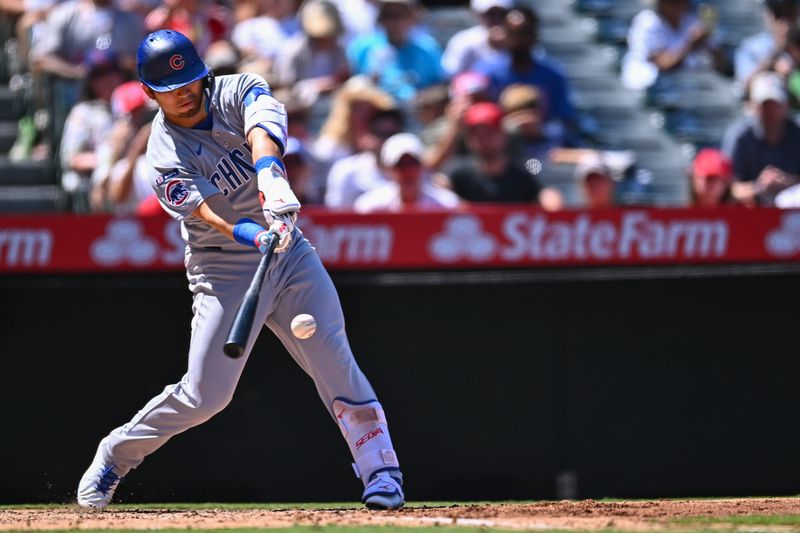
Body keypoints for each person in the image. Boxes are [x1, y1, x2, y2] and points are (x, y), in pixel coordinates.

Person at [76, 30, 404, 511]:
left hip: (289, 252)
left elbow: (262, 129)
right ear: (149, 92)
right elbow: (205, 211)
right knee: (206, 396)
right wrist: (250, 233)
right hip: (223, 265)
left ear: (203, 74)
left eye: (190, 80)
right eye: (171, 87)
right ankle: (116, 454)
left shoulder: (239, 88)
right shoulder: (163, 151)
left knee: (333, 357)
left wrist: (271, 177)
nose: (185, 92)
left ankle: (381, 470)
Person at [473, 7, 576, 136]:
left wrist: (539, 129)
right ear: (504, 35)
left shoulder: (553, 74)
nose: (518, 41)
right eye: (513, 34)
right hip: (498, 146)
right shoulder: (486, 73)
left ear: (535, 36)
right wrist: (510, 126)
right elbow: (479, 119)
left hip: (543, 146)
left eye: (524, 33)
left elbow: (563, 120)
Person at [443, 101, 563, 210]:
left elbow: (548, 193)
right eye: (476, 135)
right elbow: (440, 189)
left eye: (489, 133)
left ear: (503, 134)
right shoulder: (456, 169)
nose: (483, 140)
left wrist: (551, 202)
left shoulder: (529, 166)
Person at [59, 49, 127, 212]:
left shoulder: (134, 106)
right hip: (94, 186)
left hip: (130, 182)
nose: (106, 79)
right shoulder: (83, 112)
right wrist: (109, 160)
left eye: (111, 72)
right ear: (90, 81)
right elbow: (73, 159)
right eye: (99, 75)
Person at [722, 71, 800, 206]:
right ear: (753, 107)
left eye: (775, 104)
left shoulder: (798, 132)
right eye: (764, 105)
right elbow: (728, 189)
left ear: (786, 105)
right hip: (750, 213)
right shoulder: (739, 136)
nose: (770, 111)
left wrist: (789, 182)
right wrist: (759, 187)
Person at [347, 0, 443, 103]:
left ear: (413, 18)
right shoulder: (362, 48)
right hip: (375, 113)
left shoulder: (428, 49)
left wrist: (421, 98)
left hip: (419, 113)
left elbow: (440, 86)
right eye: (389, 15)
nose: (396, 22)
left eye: (402, 15)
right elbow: (350, 88)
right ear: (380, 19)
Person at [621, 0, 724, 91]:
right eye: (672, 1)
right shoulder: (647, 21)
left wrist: (707, 37)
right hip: (646, 88)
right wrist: (690, 43)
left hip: (683, 88)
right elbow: (662, 64)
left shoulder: (691, 20)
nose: (679, 4)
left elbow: (722, 65)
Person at [354, 132, 460, 212]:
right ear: (388, 169)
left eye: (413, 163)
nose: (408, 171)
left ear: (422, 166)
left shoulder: (447, 204)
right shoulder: (369, 207)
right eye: (400, 164)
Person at [324, 107, 405, 208]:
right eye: (380, 133)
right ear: (369, 134)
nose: (386, 140)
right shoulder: (346, 170)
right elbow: (336, 214)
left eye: (392, 134)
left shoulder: (414, 169)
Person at [735, 0, 799, 96]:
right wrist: (777, 50)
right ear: (767, 15)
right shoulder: (752, 47)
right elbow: (744, 88)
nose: (784, 21)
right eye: (778, 13)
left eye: (789, 12)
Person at [440, 0, 511, 79]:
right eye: (490, 14)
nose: (496, 19)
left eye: (501, 14)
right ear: (478, 15)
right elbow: (451, 74)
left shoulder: (519, 38)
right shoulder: (463, 40)